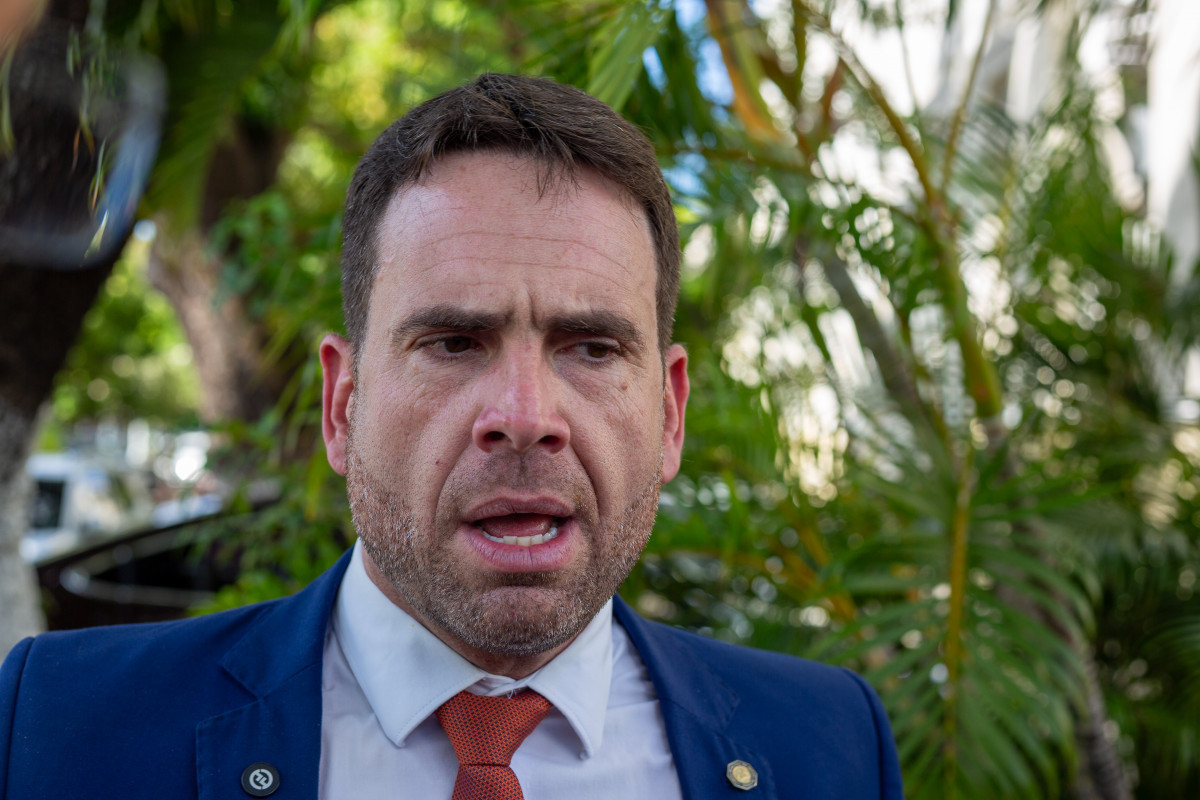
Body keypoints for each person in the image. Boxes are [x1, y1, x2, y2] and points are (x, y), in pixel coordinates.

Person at [0, 74, 903, 800]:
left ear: (668, 414)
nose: (525, 415)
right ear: (342, 405)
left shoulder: (829, 747)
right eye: (453, 342)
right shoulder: (61, 727)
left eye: (591, 346)